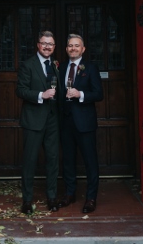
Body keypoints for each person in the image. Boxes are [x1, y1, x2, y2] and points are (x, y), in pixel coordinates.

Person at [57, 34, 103, 214]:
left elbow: (99, 94)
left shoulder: (90, 68)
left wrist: (80, 94)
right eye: (70, 45)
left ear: (83, 49)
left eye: (77, 45)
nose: (73, 48)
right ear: (67, 48)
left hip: (85, 123)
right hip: (65, 122)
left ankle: (91, 198)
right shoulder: (60, 68)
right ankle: (70, 193)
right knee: (68, 160)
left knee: (90, 161)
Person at [15, 30, 60, 214]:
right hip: (33, 120)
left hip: (52, 121)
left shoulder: (56, 65)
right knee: (30, 161)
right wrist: (41, 95)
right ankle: (27, 200)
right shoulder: (28, 65)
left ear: (54, 47)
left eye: (50, 44)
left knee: (52, 160)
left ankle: (52, 197)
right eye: (44, 43)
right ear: (38, 45)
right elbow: (20, 91)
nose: (47, 46)